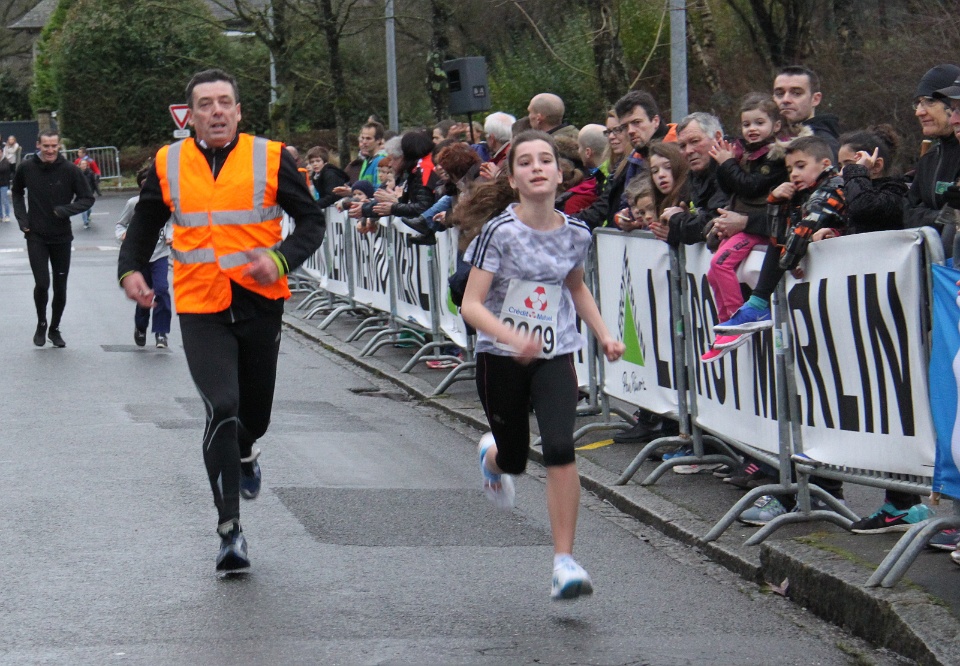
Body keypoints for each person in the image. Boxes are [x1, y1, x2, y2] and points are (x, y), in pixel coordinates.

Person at [117, 69, 326, 571]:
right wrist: (130, 269)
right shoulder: (170, 161)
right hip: (199, 304)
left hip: (259, 301)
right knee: (222, 406)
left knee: (254, 418)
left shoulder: (270, 157)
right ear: (190, 116)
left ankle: (247, 450)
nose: (216, 111)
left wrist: (279, 260)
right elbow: (146, 222)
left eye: (224, 102)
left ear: (238, 111)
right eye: (205, 104)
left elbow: (312, 220)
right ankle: (230, 531)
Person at [460, 130, 625, 600]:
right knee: (514, 458)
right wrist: (513, 338)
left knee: (559, 446)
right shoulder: (499, 232)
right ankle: (492, 459)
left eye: (545, 160)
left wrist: (604, 333)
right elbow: (471, 305)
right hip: (500, 358)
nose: (537, 167)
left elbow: (575, 286)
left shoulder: (576, 233)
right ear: (513, 179)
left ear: (559, 173)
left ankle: (564, 561)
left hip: (555, 352)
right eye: (526, 161)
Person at [700, 93, 788, 362]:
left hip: (758, 225)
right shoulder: (744, 154)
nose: (752, 129)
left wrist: (727, 163)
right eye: (746, 124)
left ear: (776, 125)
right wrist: (723, 164)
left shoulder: (775, 157)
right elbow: (729, 188)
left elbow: (750, 187)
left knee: (720, 264)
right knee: (713, 272)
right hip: (743, 224)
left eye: (759, 123)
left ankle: (739, 321)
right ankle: (724, 325)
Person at [12, 130, 95, 348]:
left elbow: (87, 198)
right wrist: (23, 220)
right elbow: (17, 192)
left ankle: (54, 328)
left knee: (60, 286)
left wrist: (66, 210)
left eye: (54, 146)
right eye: (46, 146)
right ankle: (41, 323)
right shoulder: (27, 167)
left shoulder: (70, 170)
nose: (50, 150)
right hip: (36, 235)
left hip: (61, 237)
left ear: (59, 146)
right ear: (38, 145)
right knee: (42, 284)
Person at [115, 163, 172, 349]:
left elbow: (170, 222)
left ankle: (161, 332)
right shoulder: (134, 203)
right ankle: (141, 326)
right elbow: (120, 225)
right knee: (144, 293)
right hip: (142, 256)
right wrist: (123, 235)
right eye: (145, 185)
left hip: (160, 254)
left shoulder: (168, 199)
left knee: (161, 289)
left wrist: (171, 236)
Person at [906, 65, 960, 258]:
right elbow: (909, 213)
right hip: (938, 268)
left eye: (929, 101)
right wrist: (940, 217)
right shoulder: (929, 158)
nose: (919, 112)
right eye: (918, 103)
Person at [772, 65, 840, 157]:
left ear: (815, 99)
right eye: (779, 94)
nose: (785, 99)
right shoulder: (762, 138)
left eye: (796, 93)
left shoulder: (825, 145)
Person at [559, 124, 607, 215]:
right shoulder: (614, 173)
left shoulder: (605, 178)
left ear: (588, 152)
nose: (578, 151)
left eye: (579, 147)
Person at [77, 158, 100, 229]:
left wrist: (98, 191)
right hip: (81, 193)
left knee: (88, 209)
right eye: (82, 164)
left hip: (89, 193)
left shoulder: (90, 173)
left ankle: (87, 216)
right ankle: (85, 222)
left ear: (87, 165)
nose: (84, 165)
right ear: (79, 165)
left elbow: (94, 183)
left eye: (85, 164)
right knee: (84, 208)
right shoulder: (77, 173)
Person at [0, 150, 11, 222]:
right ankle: (0, 216)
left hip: (4, 184)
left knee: (5, 200)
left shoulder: (5, 161)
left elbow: (3, 169)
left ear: (1, 153)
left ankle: (7, 215)